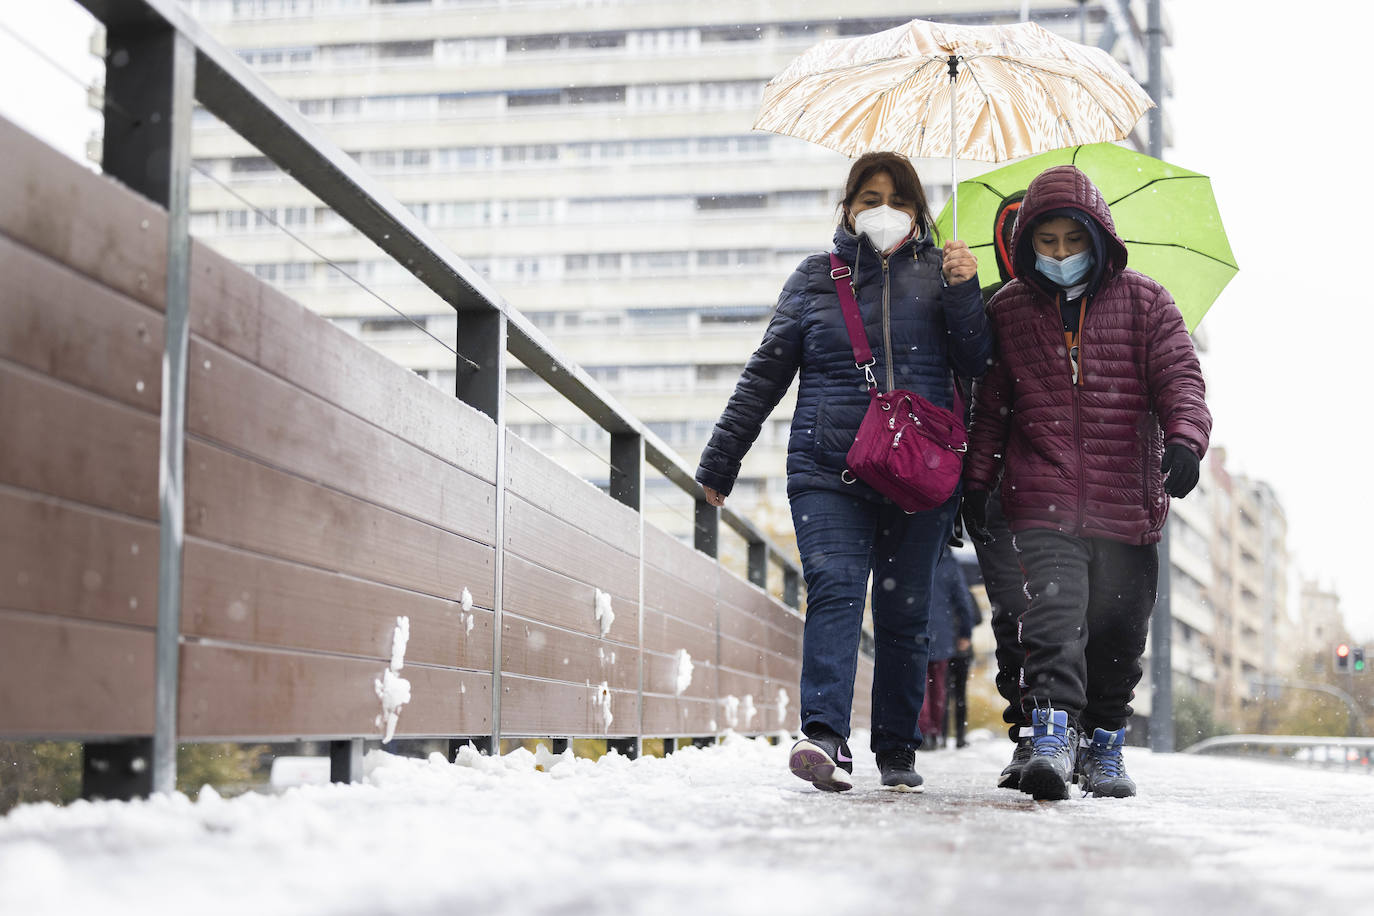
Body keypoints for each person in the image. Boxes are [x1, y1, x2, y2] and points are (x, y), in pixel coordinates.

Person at [696, 151, 992, 792]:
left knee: (906, 614)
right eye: (868, 197)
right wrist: (722, 459)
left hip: (918, 471)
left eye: (898, 199)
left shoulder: (945, 276)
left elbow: (979, 364)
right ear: (848, 207)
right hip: (829, 468)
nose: (883, 210)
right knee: (834, 587)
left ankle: (896, 748)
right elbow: (765, 373)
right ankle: (824, 735)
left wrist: (967, 291)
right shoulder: (814, 278)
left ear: (918, 211)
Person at [961, 164, 1211, 801]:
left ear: (1098, 238)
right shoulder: (1009, 309)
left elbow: (1180, 378)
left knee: (1121, 635)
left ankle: (1103, 746)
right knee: (1053, 618)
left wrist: (1185, 439)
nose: (1062, 255)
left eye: (1074, 241)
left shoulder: (1146, 301)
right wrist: (977, 479)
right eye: (1048, 243)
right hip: (1041, 498)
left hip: (1126, 500)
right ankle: (1049, 733)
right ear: (1028, 244)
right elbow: (992, 406)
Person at [968, 190, 1036, 786]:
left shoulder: (1092, 306)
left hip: (1066, 488)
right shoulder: (984, 308)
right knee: (1013, 614)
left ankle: (1074, 727)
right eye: (1010, 232)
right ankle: (1030, 729)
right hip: (994, 490)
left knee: (1070, 613)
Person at [917, 546, 979, 750]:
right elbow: (964, 602)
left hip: (915, 630)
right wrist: (965, 633)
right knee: (938, 686)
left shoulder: (915, 553)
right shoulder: (950, 564)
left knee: (919, 683)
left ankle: (924, 731)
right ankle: (934, 732)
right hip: (943, 636)